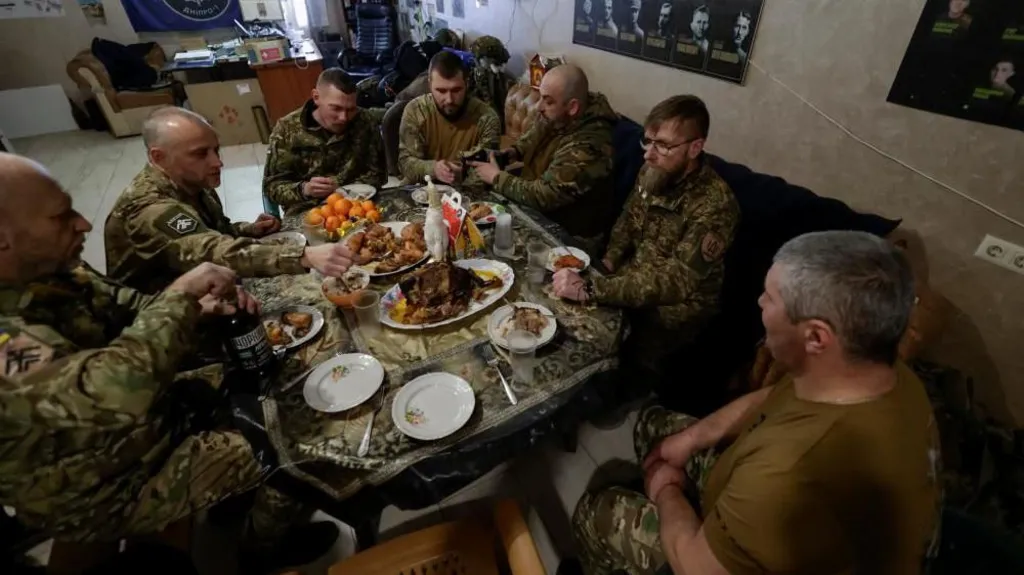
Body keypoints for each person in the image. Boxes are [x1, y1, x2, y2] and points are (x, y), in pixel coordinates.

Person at [0, 153, 339, 573]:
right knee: (299, 441)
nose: (83, 223)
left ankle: (235, 503)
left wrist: (202, 307)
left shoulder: (52, 271)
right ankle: (262, 552)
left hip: (148, 422)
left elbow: (130, 305)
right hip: (104, 485)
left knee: (283, 375)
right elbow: (110, 395)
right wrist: (182, 296)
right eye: (60, 216)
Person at [571, 230, 942, 575]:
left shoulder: (784, 475)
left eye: (771, 298)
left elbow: (696, 567)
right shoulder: (876, 370)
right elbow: (777, 396)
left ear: (816, 337)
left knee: (595, 513)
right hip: (774, 516)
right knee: (654, 425)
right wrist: (696, 436)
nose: (760, 302)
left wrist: (666, 491)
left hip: (720, 554)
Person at [552, 95, 739, 374]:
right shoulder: (653, 170)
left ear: (695, 147)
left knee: (601, 350)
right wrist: (609, 262)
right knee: (559, 314)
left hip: (676, 306)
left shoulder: (716, 204)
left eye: (663, 145)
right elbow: (628, 220)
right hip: (633, 275)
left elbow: (677, 281)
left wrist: (593, 288)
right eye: (647, 141)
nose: (648, 155)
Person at [105, 107, 355, 294]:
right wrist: (303, 256)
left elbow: (210, 231)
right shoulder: (149, 209)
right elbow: (211, 251)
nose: (217, 162)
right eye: (200, 154)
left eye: (216, 150)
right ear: (158, 158)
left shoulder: (192, 180)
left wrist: (249, 229)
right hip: (159, 321)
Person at [470, 64, 617, 242]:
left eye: (548, 101)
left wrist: (496, 178)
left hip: (570, 233)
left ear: (572, 107)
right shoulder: (558, 113)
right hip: (538, 210)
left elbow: (545, 195)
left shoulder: (589, 145)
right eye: (540, 97)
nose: (539, 106)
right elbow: (536, 132)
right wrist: (516, 151)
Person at [263, 68, 387, 216]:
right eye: (336, 108)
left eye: (351, 109)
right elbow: (271, 187)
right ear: (316, 97)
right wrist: (304, 189)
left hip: (359, 204)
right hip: (308, 211)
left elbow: (379, 174)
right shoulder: (287, 129)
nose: (344, 118)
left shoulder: (366, 121)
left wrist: (341, 186)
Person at [397, 50, 501, 187]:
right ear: (429, 84)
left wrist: (461, 175)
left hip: (467, 190)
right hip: (422, 187)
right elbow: (405, 163)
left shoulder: (487, 117)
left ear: (466, 83)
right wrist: (434, 169)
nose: (449, 99)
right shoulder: (415, 110)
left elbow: (489, 169)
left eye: (456, 90)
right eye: (441, 91)